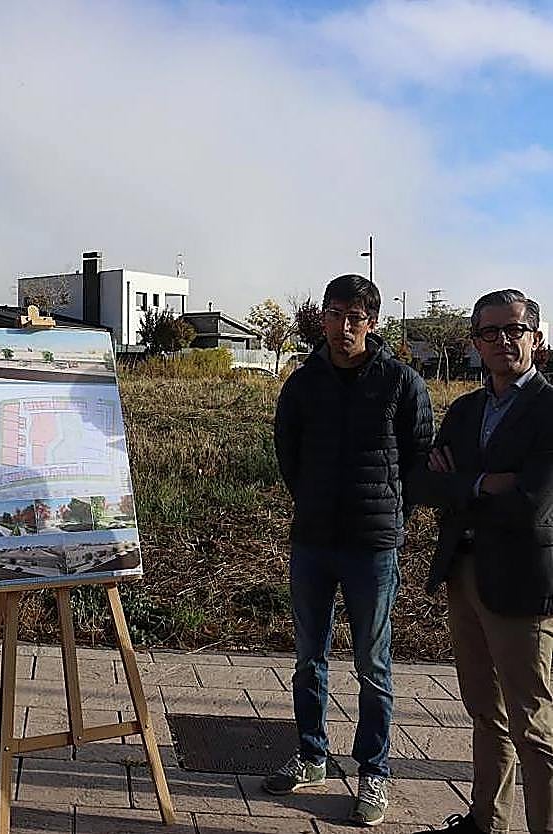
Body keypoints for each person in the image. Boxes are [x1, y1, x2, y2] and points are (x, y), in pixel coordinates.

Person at [266, 274, 432, 826]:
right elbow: (287, 452)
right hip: (312, 540)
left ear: (373, 322)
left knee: (372, 664)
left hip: (373, 545)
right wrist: (312, 501)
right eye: (334, 314)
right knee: (309, 658)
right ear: (322, 319)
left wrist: (389, 512)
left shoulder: (400, 382)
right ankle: (313, 755)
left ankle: (373, 772)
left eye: (355, 317)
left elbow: (418, 455)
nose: (343, 327)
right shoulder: (302, 382)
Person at [408, 289, 553, 834]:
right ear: (475, 343)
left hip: (519, 582)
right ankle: (485, 821)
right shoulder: (467, 409)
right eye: (489, 332)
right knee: (484, 711)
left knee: (533, 723)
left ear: (536, 338)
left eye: (513, 330)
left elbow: (531, 505)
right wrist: (479, 482)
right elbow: (424, 482)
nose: (502, 341)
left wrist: (457, 484)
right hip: (463, 572)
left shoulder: (549, 409)